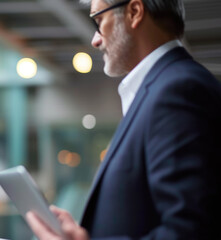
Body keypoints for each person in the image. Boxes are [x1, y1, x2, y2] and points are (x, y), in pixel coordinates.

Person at [26, 0, 221, 239]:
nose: (95, 40)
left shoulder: (177, 90)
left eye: (98, 21)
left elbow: (191, 231)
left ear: (134, 12)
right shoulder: (165, 88)